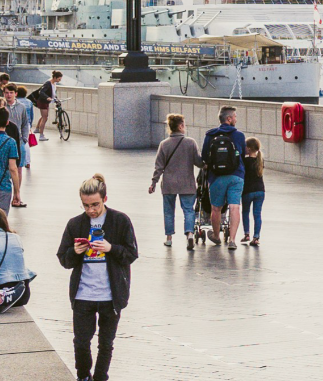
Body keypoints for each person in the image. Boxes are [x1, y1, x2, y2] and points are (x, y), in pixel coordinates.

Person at [57, 175, 138, 381]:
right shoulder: (75, 224)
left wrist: (111, 248)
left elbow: (131, 254)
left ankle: (101, 377)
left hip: (111, 294)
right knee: (81, 342)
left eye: (95, 205)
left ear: (105, 199)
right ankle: (83, 376)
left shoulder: (120, 221)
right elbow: (64, 260)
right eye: (86, 206)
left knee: (106, 342)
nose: (91, 210)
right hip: (83, 294)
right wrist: (75, 252)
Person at [150, 114, 200, 250]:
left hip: (169, 184)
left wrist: (153, 183)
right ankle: (189, 233)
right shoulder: (191, 142)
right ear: (181, 126)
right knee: (189, 210)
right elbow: (198, 162)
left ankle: (169, 238)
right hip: (187, 183)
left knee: (168, 211)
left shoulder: (164, 144)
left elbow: (159, 166)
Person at [201, 106, 246, 250]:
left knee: (216, 208)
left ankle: (216, 236)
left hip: (216, 177)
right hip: (236, 176)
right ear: (229, 119)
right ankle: (232, 240)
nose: (236, 119)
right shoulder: (239, 135)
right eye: (235, 117)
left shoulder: (210, 135)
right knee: (234, 207)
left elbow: (204, 157)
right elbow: (243, 155)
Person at [4, 86, 32, 208]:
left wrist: (24, 138)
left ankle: (17, 195)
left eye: (11, 93)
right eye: (6, 93)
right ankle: (5, 196)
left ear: (15, 93)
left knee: (18, 169)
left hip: (18, 142)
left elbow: (26, 123)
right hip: (4, 142)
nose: (9, 95)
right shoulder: (1, 107)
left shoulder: (21, 107)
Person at [240, 138, 265, 247]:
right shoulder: (260, 160)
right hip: (260, 190)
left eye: (245, 146)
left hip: (248, 191)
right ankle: (256, 237)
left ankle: (247, 234)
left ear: (249, 149)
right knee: (257, 214)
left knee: (245, 212)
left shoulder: (245, 161)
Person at [30, 70, 60, 141]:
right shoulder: (48, 83)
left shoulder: (53, 83)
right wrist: (47, 97)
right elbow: (41, 92)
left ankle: (37, 129)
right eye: (59, 79)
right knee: (45, 118)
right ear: (55, 77)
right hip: (43, 101)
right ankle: (41, 135)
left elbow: (53, 93)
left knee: (44, 116)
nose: (59, 80)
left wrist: (55, 98)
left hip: (46, 102)